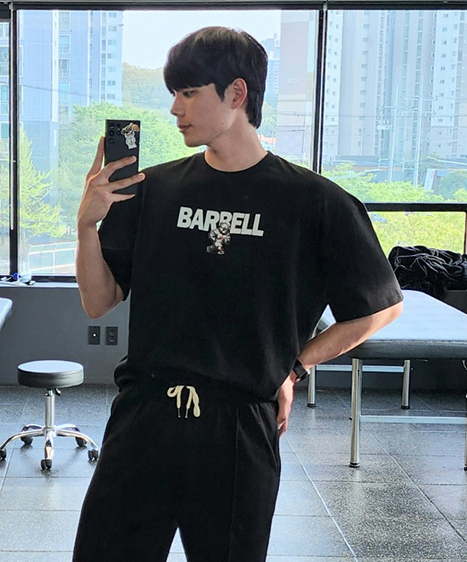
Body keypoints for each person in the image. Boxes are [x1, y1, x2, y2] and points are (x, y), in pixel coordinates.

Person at [73, 26, 403, 562]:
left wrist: (294, 369)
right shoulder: (154, 190)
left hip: (238, 427)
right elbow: (98, 301)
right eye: (174, 94)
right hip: (144, 415)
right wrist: (87, 226)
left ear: (236, 93)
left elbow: (380, 307)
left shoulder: (316, 202)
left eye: (188, 92)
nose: (175, 109)